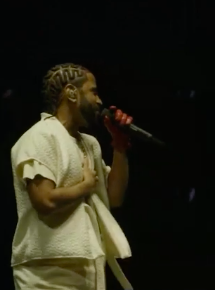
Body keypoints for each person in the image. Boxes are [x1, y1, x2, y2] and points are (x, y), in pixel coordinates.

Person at [10, 63, 134, 290]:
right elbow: (44, 200)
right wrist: (85, 186)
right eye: (94, 91)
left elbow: (113, 198)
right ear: (71, 92)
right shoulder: (40, 136)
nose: (99, 101)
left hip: (87, 263)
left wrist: (119, 146)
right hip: (46, 269)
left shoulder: (89, 144)